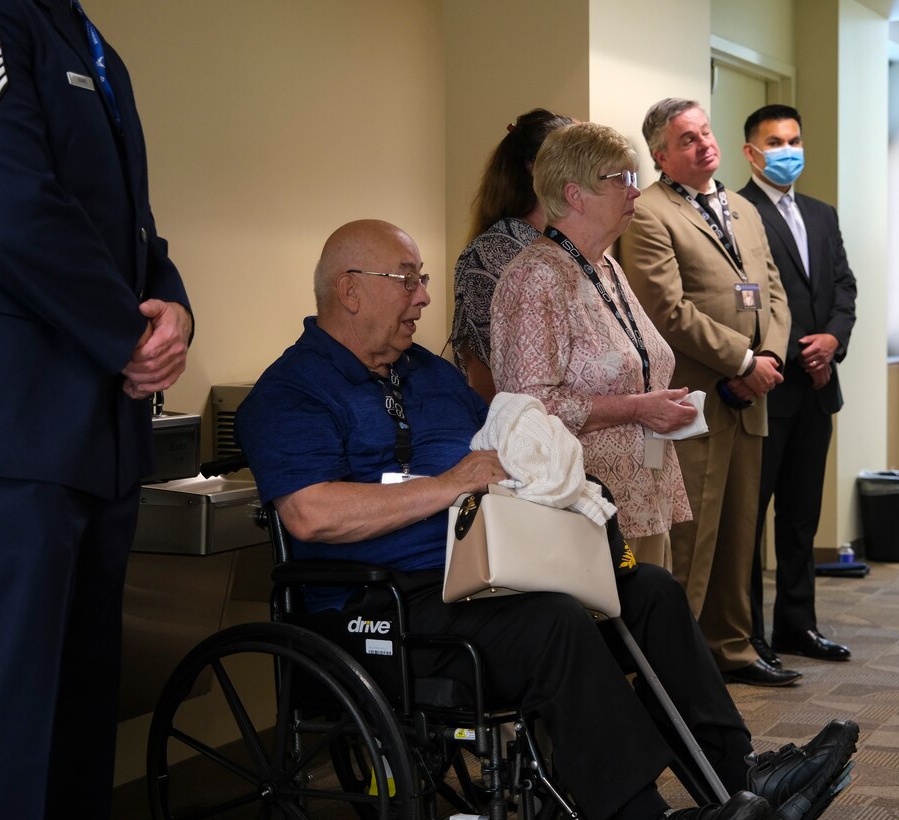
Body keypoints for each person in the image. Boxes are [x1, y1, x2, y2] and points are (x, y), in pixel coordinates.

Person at [236, 218, 859, 820]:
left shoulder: (429, 375)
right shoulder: (291, 393)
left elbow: (503, 444)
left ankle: (739, 775)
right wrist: (450, 484)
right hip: (381, 607)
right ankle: (638, 813)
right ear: (350, 288)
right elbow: (311, 514)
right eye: (407, 279)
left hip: (485, 572)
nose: (424, 296)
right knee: (554, 622)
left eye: (422, 278)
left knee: (649, 592)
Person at [0, 2, 193, 818]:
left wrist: (172, 309)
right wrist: (125, 335)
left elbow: (133, 229)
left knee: (80, 721)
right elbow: (5, 203)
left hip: (99, 433)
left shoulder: (86, 38)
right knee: (1, 726)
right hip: (10, 425)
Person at [616, 99, 798, 687]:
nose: (704, 145)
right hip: (693, 401)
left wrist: (767, 358)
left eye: (706, 132)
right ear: (662, 155)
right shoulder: (647, 213)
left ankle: (733, 649)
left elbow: (772, 291)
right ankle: (679, 669)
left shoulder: (743, 209)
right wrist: (741, 360)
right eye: (688, 139)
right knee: (692, 540)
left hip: (750, 397)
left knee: (740, 535)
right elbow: (665, 310)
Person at [490, 122, 696, 570]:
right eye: (619, 179)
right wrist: (638, 408)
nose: (635, 192)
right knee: (613, 635)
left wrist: (658, 404)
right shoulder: (537, 278)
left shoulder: (606, 268)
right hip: (584, 506)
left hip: (642, 496)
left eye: (633, 178)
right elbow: (530, 409)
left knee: (652, 629)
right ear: (574, 194)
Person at [737, 105, 857, 667]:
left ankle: (797, 625)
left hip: (818, 388)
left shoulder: (822, 213)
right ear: (752, 152)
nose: (789, 150)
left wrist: (831, 342)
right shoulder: (738, 213)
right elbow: (743, 302)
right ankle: (748, 634)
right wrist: (795, 352)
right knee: (751, 519)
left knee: (802, 516)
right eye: (776, 141)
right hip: (771, 387)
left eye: (795, 139)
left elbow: (842, 288)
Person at [451, 108, 572, 402]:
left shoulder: (572, 246)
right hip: (523, 431)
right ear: (538, 168)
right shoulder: (495, 251)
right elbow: (492, 375)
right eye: (577, 157)